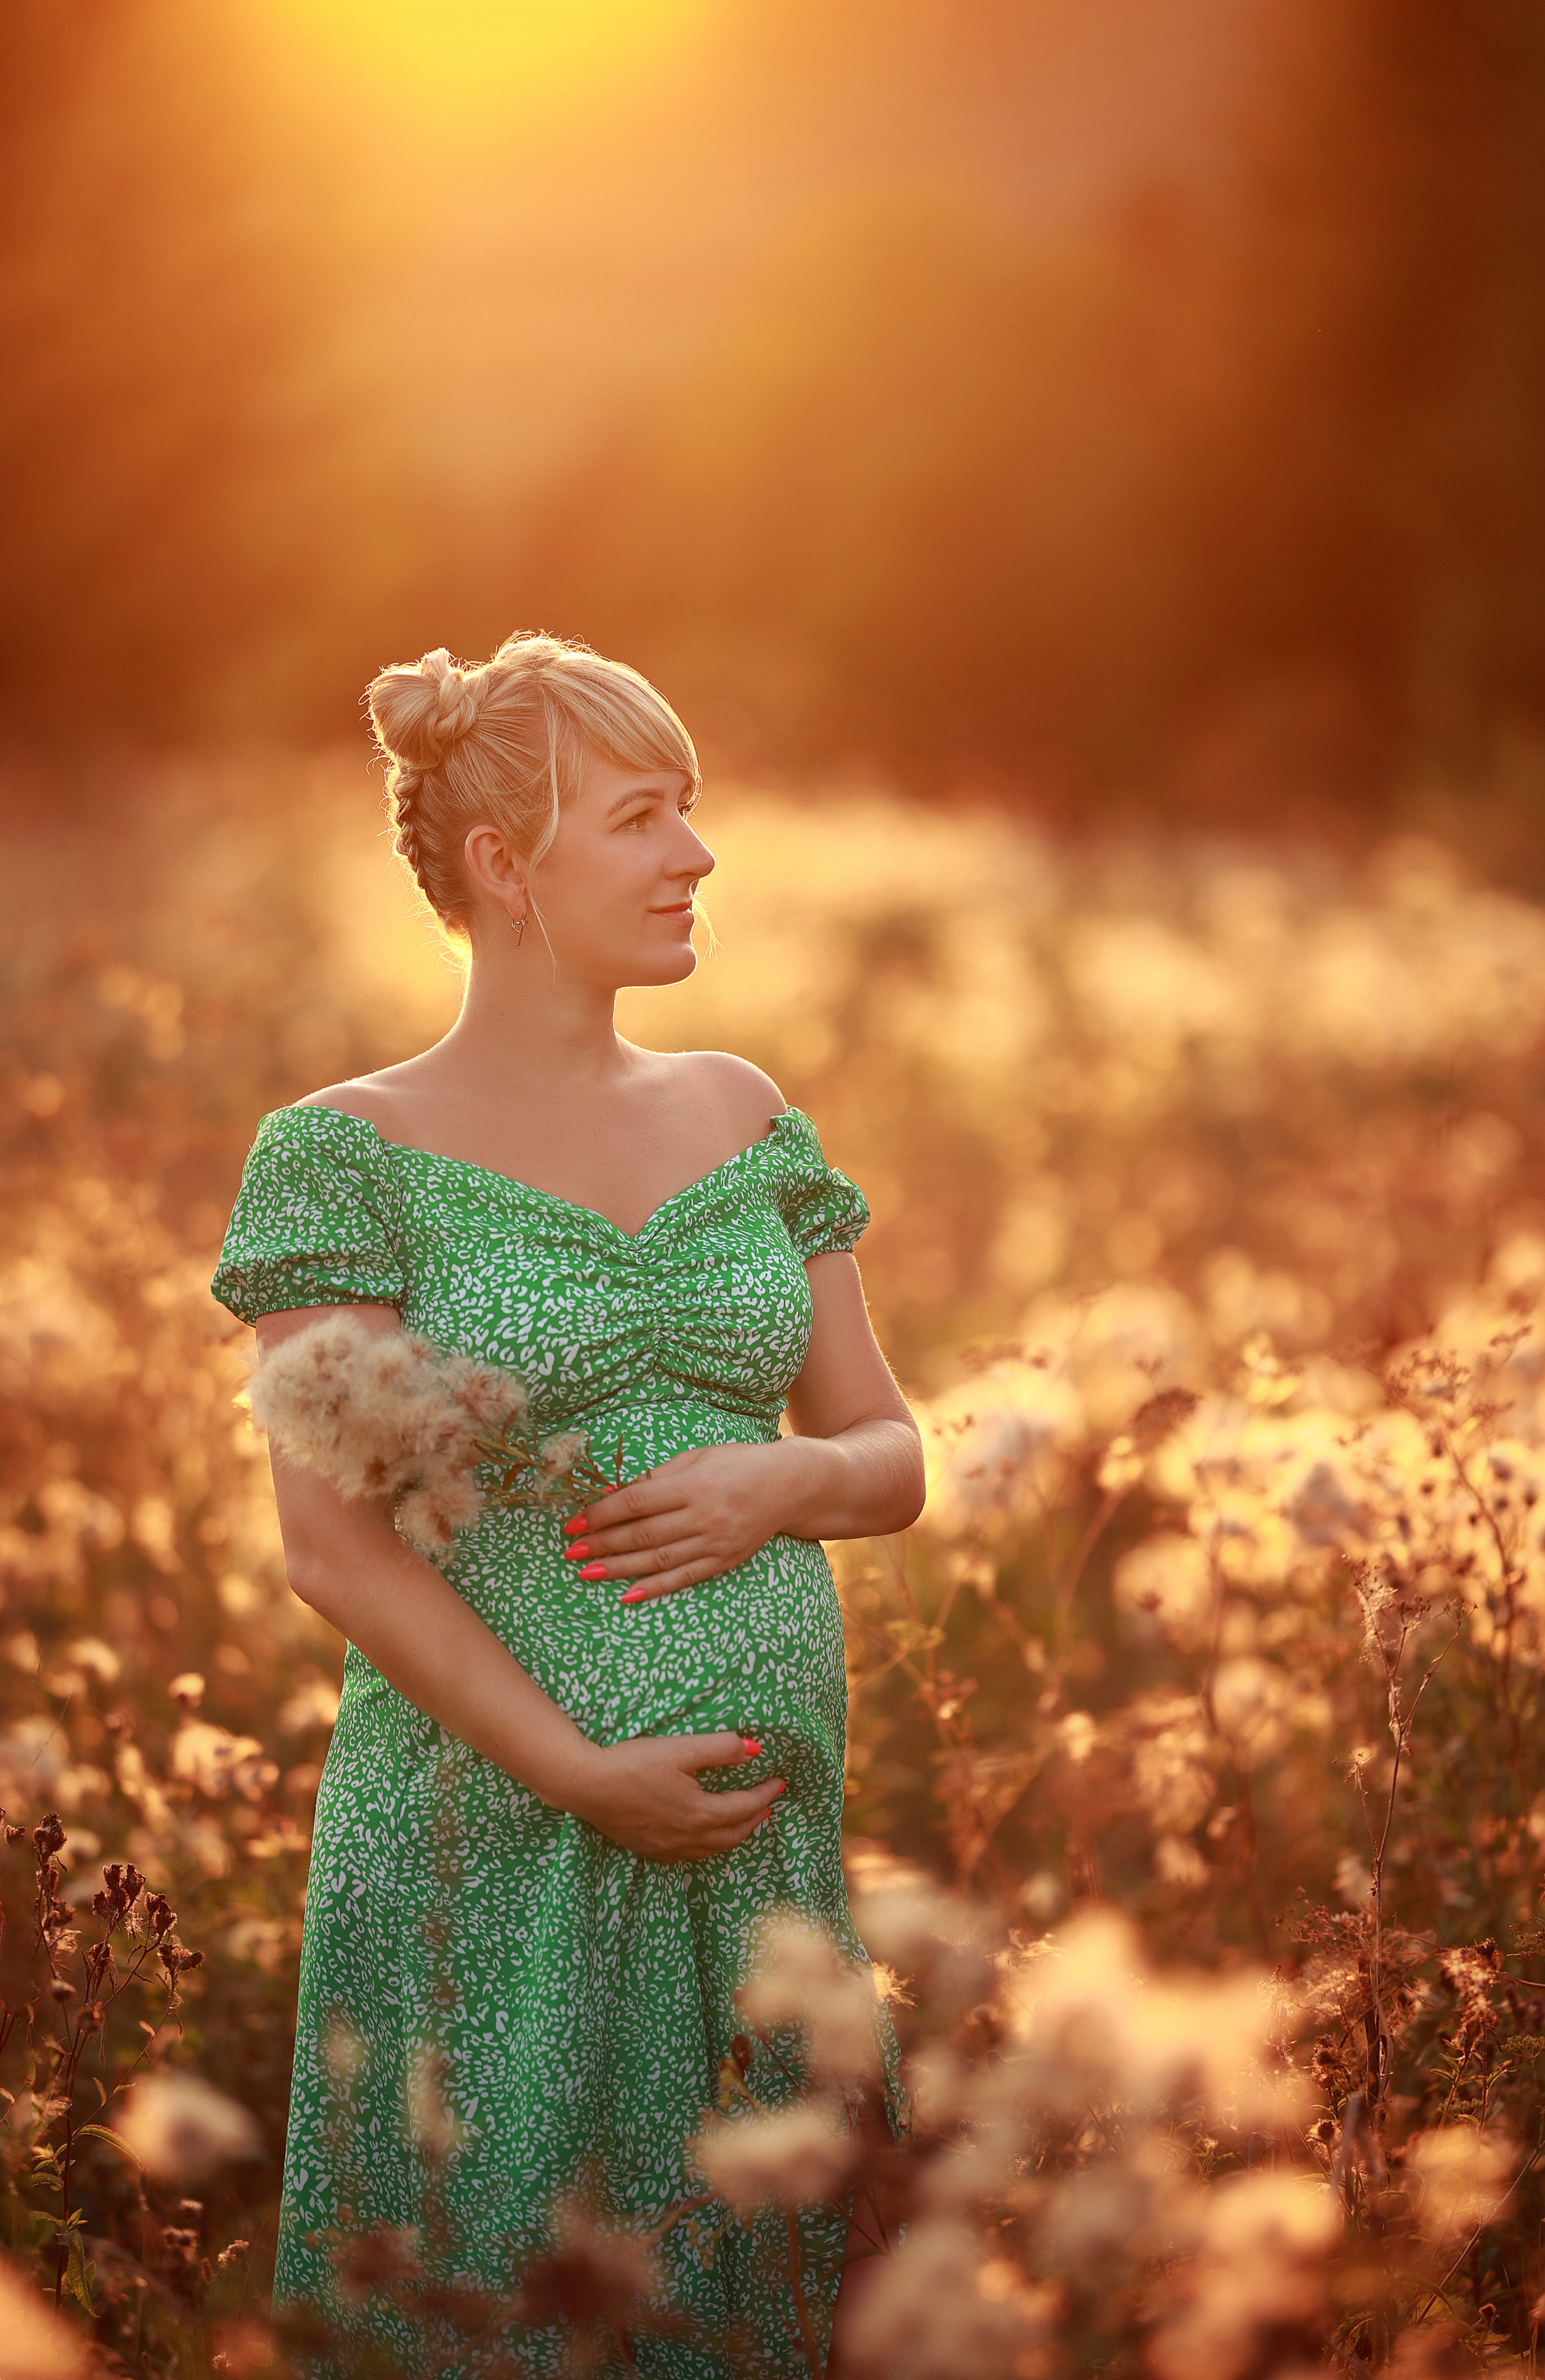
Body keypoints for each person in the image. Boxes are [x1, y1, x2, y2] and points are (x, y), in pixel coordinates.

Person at [210, 631, 925, 2378]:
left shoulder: (744, 1112)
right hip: (494, 1842)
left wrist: (789, 1478)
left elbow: (890, 1451)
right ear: (502, 867)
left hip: (761, 1848)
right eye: (638, 817)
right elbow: (331, 1543)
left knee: (763, 2292)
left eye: (690, 809)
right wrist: (581, 1771)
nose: (694, 855)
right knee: (515, 2300)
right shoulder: (342, 1155)